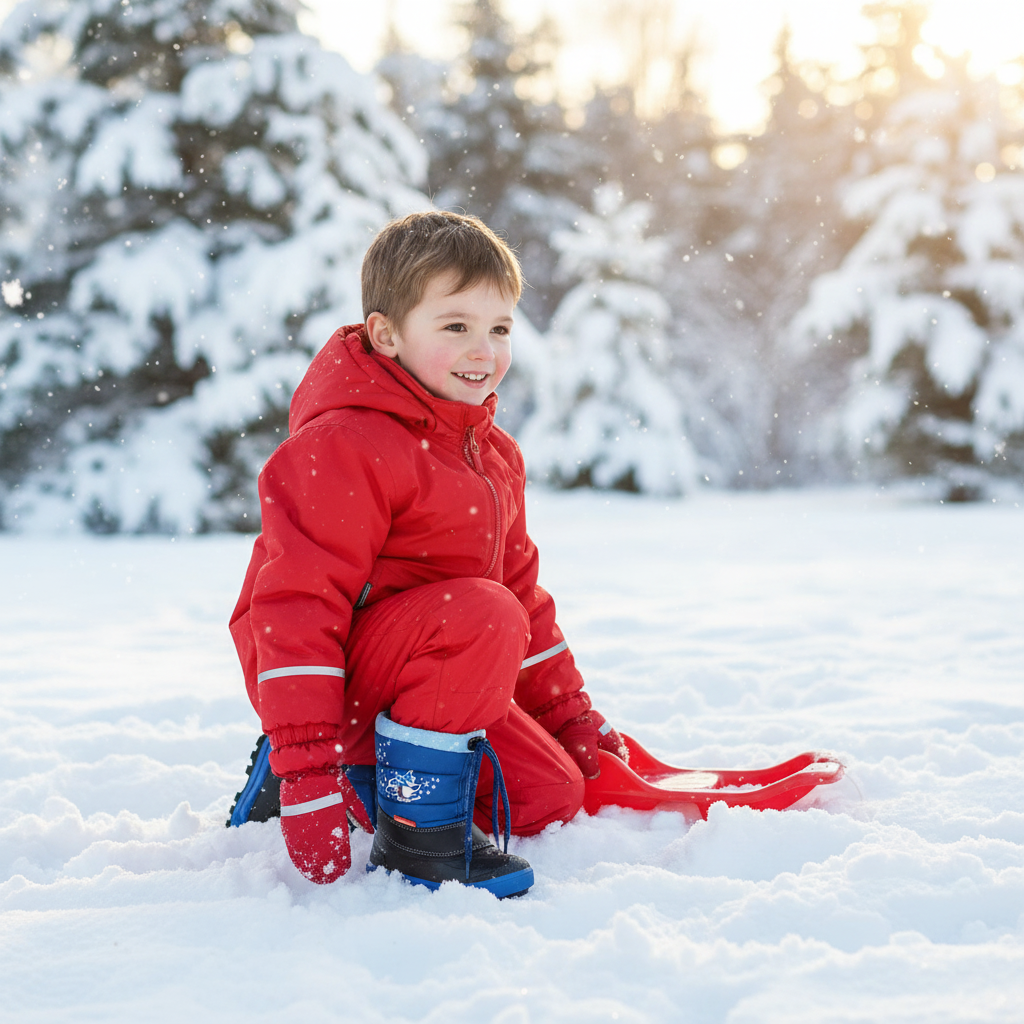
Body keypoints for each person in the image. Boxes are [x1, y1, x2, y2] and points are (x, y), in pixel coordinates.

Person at [228, 210, 628, 898]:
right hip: (338, 678)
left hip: (428, 680)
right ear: (386, 335)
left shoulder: (492, 454)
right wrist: (305, 765)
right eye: (456, 327)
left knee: (546, 796)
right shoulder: (345, 445)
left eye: (499, 328)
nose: (485, 350)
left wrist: (569, 716)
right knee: (481, 611)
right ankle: (418, 837)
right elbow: (294, 607)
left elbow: (525, 594)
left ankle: (376, 777)